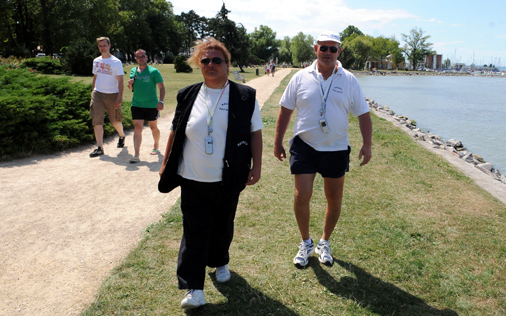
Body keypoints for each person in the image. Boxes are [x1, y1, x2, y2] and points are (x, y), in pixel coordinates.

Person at [158, 37, 263, 309]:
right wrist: (166, 161)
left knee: (223, 224)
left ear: (227, 64)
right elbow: (175, 129)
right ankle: (194, 288)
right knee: (194, 231)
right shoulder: (187, 94)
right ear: (198, 64)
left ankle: (220, 261)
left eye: (217, 60)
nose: (211, 64)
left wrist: (257, 165)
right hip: (192, 177)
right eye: (205, 60)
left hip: (228, 177)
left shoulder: (244, 96)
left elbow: (255, 133)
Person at [274, 31, 372, 268]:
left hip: (336, 148)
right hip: (304, 146)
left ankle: (324, 242)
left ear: (339, 51)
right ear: (315, 49)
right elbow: (286, 110)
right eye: (324, 48)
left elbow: (363, 114)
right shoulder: (300, 77)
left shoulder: (349, 80)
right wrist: (277, 141)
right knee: (301, 195)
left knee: (334, 198)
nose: (328, 53)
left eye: (333, 48)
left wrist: (367, 144)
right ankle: (306, 242)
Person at [89, 37, 126, 157]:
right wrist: (93, 91)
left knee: (115, 120)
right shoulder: (96, 61)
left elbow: (120, 81)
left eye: (104, 45)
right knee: (97, 120)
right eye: (100, 46)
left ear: (109, 46)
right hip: (98, 93)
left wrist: (119, 97)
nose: (102, 48)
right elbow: (95, 77)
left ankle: (121, 135)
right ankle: (99, 147)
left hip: (112, 94)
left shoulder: (116, 62)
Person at [127, 49, 165, 163]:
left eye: (142, 56)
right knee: (138, 127)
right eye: (138, 57)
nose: (141, 58)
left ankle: (156, 146)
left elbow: (161, 88)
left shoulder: (154, 71)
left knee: (153, 127)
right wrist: (129, 84)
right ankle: (136, 155)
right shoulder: (133, 71)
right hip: (137, 104)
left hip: (151, 104)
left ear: (146, 57)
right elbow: (132, 89)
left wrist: (161, 101)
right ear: (135, 59)